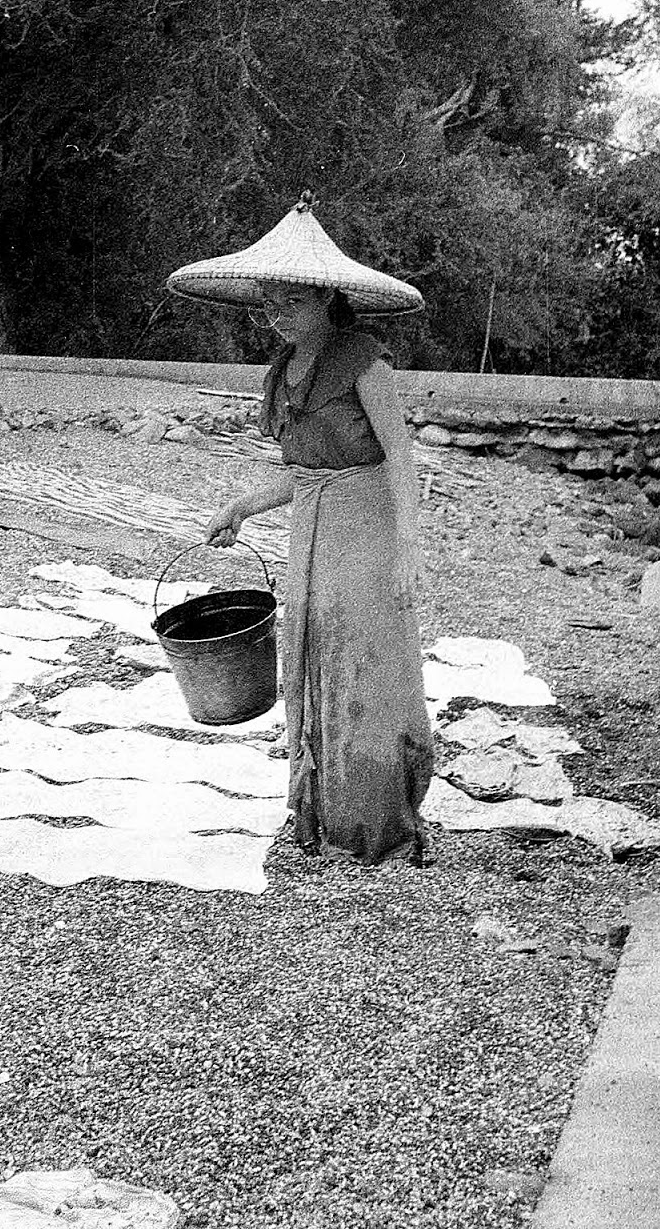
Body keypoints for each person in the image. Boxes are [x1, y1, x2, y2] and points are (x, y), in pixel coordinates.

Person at [166, 197, 432, 865]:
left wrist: (407, 547)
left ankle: (376, 826)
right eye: (267, 303)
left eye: (289, 300)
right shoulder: (284, 372)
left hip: (366, 527)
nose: (276, 314)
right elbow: (303, 471)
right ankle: (321, 815)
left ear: (326, 299)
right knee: (312, 656)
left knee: (361, 662)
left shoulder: (364, 361)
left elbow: (399, 454)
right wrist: (241, 506)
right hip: (312, 533)